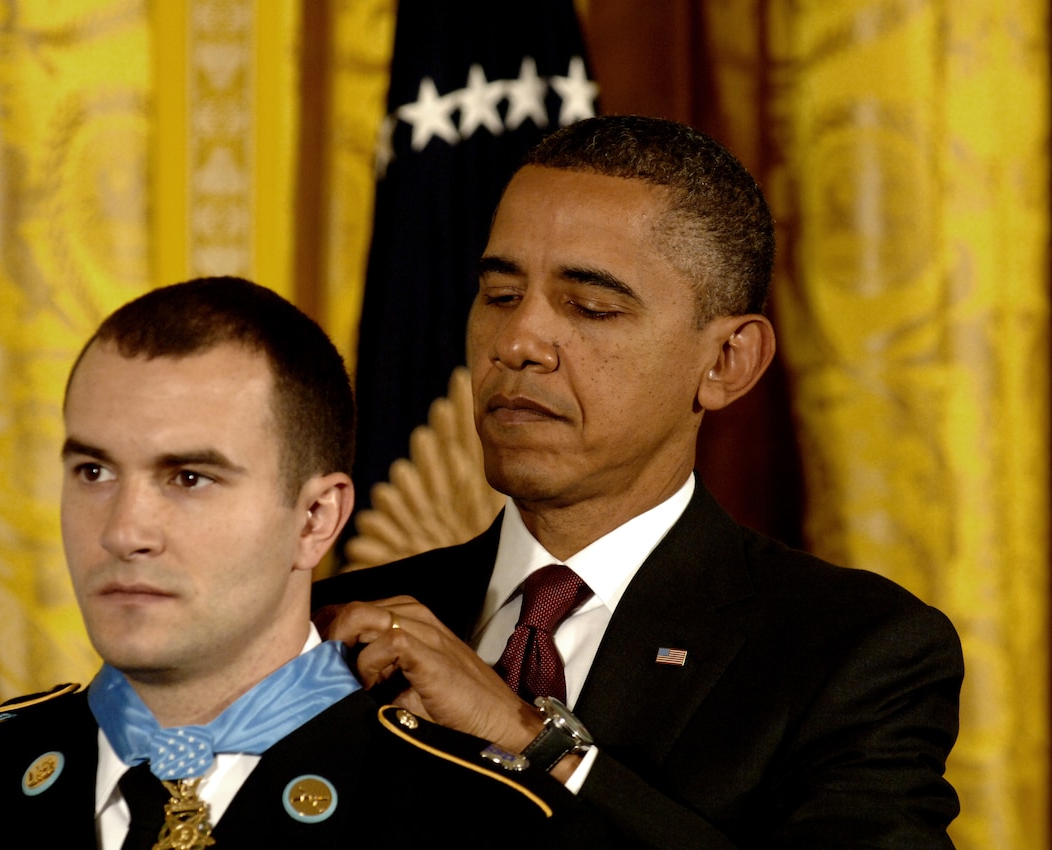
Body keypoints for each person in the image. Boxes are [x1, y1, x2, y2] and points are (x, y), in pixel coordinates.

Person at [314, 115, 964, 849]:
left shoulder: (851, 653)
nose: (518, 344)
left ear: (727, 362)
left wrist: (530, 740)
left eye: (590, 307)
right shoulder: (331, 631)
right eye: (498, 296)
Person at [0, 277, 605, 850]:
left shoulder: (482, 823)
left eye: (189, 478)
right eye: (93, 472)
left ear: (315, 520)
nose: (124, 531)